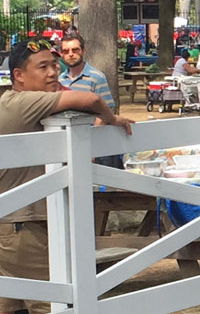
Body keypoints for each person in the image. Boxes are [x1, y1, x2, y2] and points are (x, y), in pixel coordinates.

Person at [0, 39, 134, 314]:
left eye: (53, 65)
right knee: (52, 303)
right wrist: (111, 118)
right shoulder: (24, 103)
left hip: (15, 225)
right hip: (28, 224)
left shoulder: (12, 100)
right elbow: (91, 99)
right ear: (19, 76)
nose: (52, 72)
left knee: (11, 304)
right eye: (42, 67)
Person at [58, 34, 115, 112]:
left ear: (83, 51)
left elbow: (108, 109)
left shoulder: (97, 78)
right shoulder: (60, 80)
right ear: (61, 54)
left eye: (75, 50)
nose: (70, 54)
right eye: (66, 51)